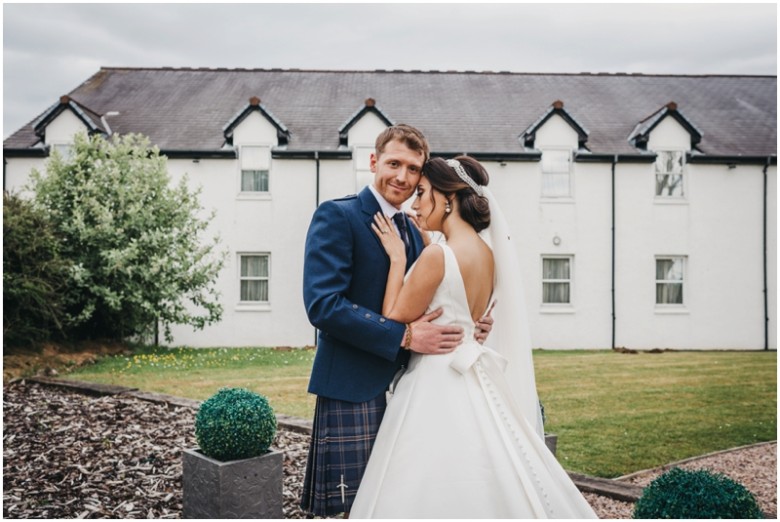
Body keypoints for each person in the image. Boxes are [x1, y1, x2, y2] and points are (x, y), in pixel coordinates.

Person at [350, 156, 598, 518]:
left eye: (422, 193)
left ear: (448, 197)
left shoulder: (437, 255)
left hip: (436, 376)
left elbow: (393, 318)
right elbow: (471, 314)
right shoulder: (489, 254)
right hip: (474, 373)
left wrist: (399, 259)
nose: (415, 204)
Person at [300, 125, 493, 517]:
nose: (402, 177)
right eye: (393, 164)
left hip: (416, 390)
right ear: (373, 162)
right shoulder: (338, 215)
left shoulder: (418, 230)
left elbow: (438, 293)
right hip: (354, 386)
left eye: (412, 168)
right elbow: (323, 305)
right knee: (351, 509)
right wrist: (404, 336)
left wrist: (469, 326)